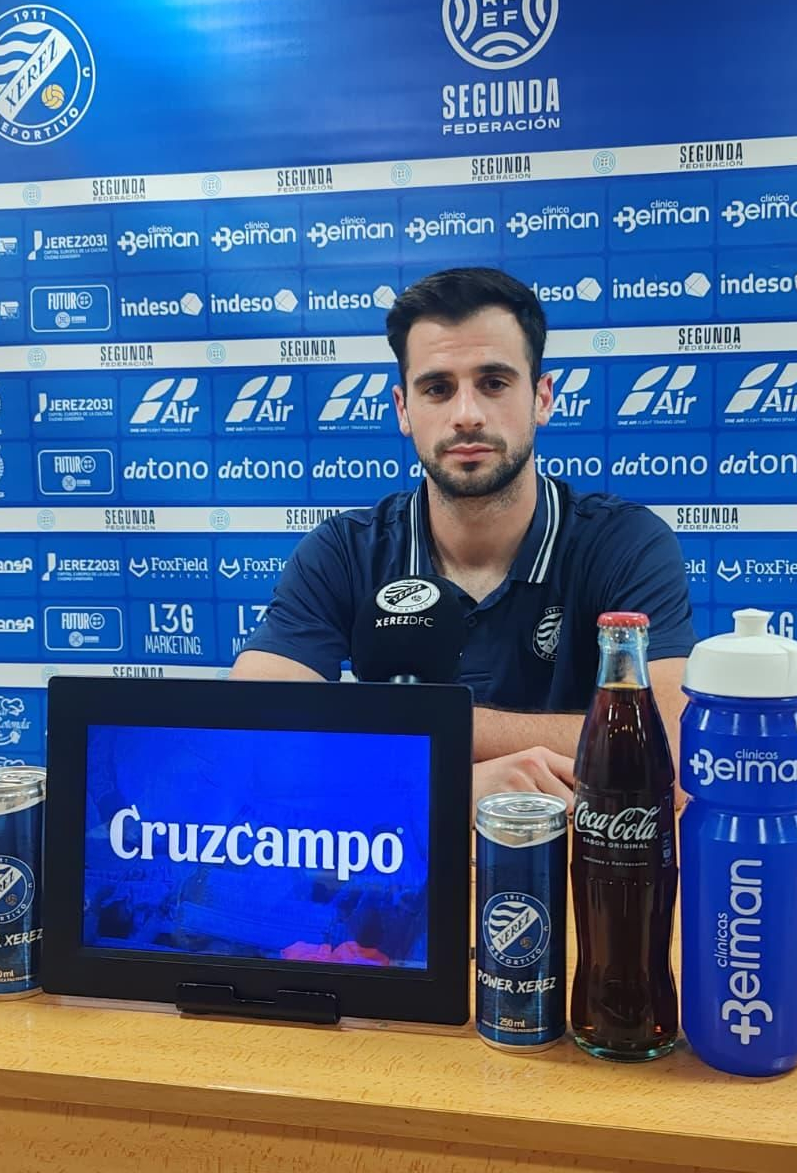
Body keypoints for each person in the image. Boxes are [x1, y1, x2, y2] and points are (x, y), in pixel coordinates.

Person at [231, 267, 696, 807]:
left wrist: (421, 729)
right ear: (404, 409)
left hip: (573, 878)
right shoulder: (343, 551)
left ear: (542, 398)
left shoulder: (624, 543)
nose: (467, 415)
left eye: (494, 383)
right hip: (396, 879)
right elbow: (252, 744)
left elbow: (673, 756)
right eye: (438, 388)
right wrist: (446, 790)